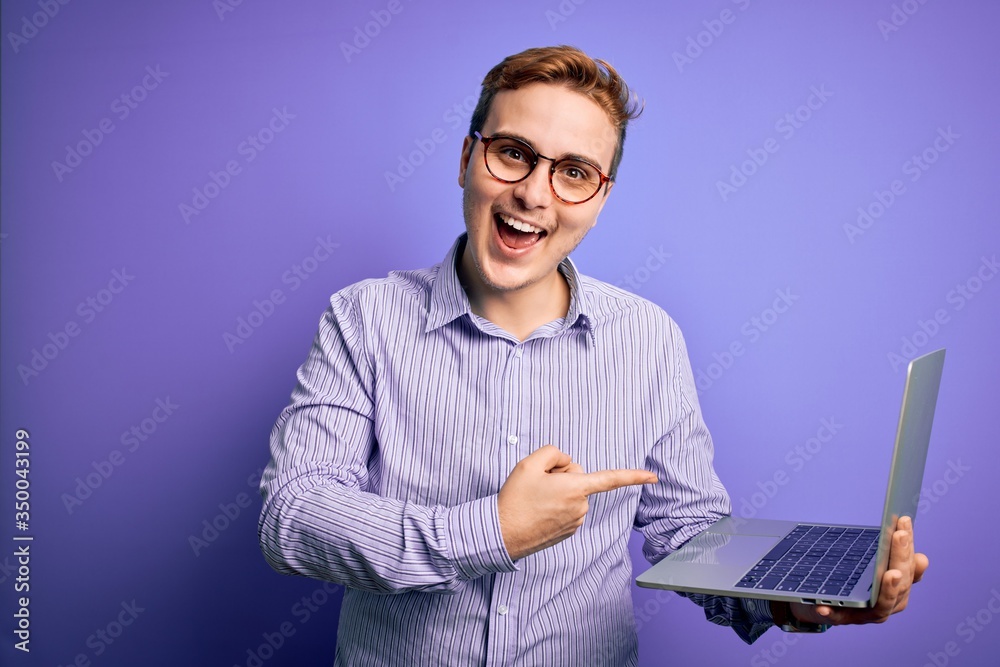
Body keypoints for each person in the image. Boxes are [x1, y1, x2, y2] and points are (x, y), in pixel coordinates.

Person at [258, 45, 927, 666]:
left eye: (573, 171)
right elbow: (295, 512)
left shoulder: (648, 337)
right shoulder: (362, 318)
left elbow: (690, 536)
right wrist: (490, 529)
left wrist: (790, 596)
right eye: (513, 153)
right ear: (467, 158)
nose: (534, 193)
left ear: (601, 197)